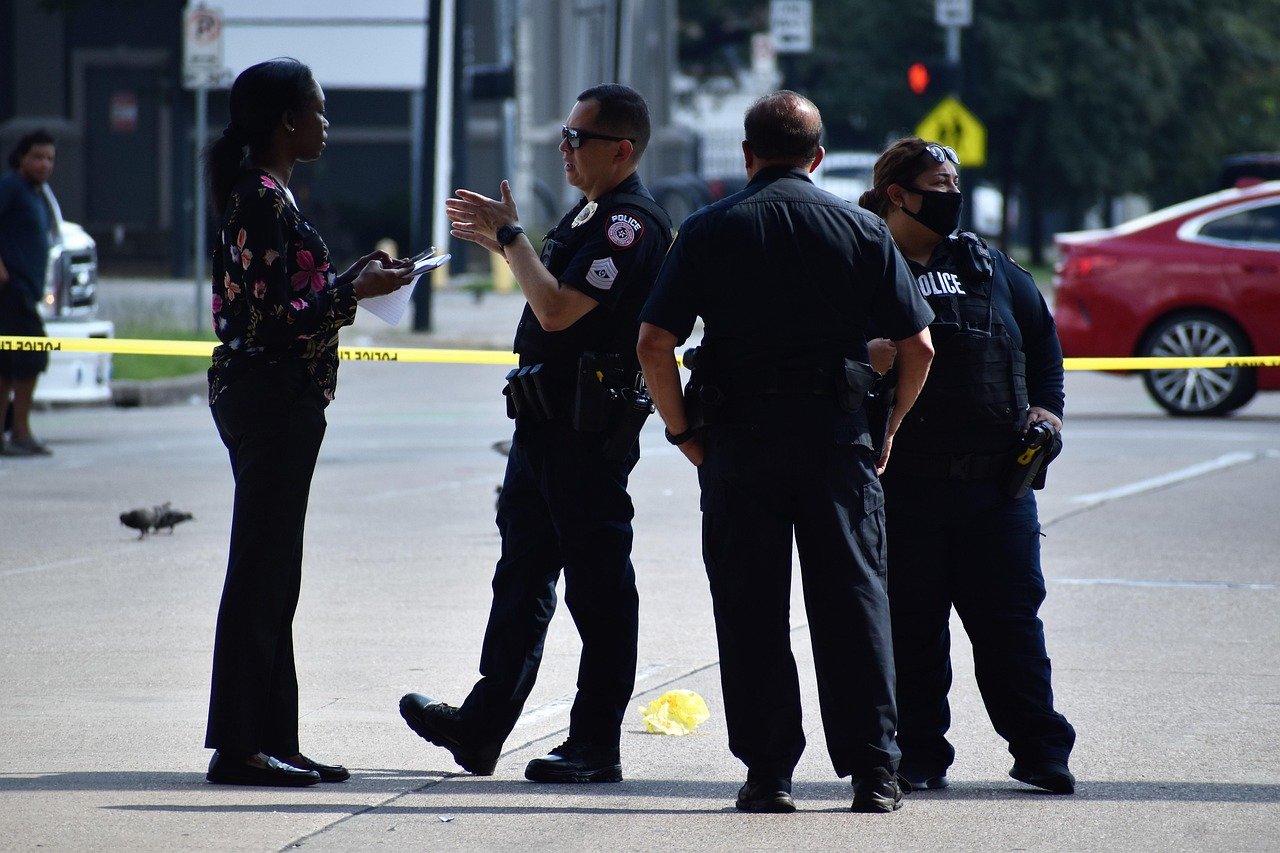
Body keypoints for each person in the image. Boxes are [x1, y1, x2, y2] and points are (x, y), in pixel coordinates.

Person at [636, 91, 934, 814]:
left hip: (738, 444)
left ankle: (768, 773)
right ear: (818, 157)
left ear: (747, 154)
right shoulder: (863, 230)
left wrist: (683, 433)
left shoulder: (707, 229)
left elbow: (653, 343)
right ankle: (874, 772)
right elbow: (920, 346)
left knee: (750, 609)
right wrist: (890, 426)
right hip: (837, 442)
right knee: (854, 604)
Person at [399, 84, 672, 784]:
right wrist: (510, 241)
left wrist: (511, 237)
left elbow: (556, 310)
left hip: (587, 433)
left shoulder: (629, 225)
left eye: (578, 138)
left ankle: (595, 744)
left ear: (622, 149)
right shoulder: (589, 215)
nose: (564, 148)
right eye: (564, 134)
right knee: (521, 577)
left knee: (599, 590)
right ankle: (481, 728)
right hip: (543, 426)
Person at [203, 58, 412, 787]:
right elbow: (267, 322)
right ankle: (239, 747)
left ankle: (274, 739)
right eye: (318, 111)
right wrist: (352, 294)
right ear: (287, 121)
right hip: (270, 396)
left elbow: (286, 297)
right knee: (261, 573)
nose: (327, 124)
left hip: (278, 395)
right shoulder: (261, 198)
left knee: (275, 573)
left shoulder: (268, 194)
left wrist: (351, 281)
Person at [858, 137, 1077, 794]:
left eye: (955, 184)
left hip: (996, 487)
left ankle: (1040, 750)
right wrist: (862, 356)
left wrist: (1047, 413)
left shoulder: (988, 266)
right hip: (903, 485)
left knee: (1011, 625)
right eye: (938, 185)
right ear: (898, 194)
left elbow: (1042, 343)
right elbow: (821, 351)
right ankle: (920, 754)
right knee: (911, 630)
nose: (952, 196)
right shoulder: (861, 263)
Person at [0, 130, 57, 457]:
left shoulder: (36, 194)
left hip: (26, 292)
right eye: (37, 156)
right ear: (21, 156)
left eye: (50, 158)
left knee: (12, 364)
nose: (44, 164)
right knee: (28, 358)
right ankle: (19, 432)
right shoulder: (11, 187)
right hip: (11, 291)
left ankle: (16, 431)